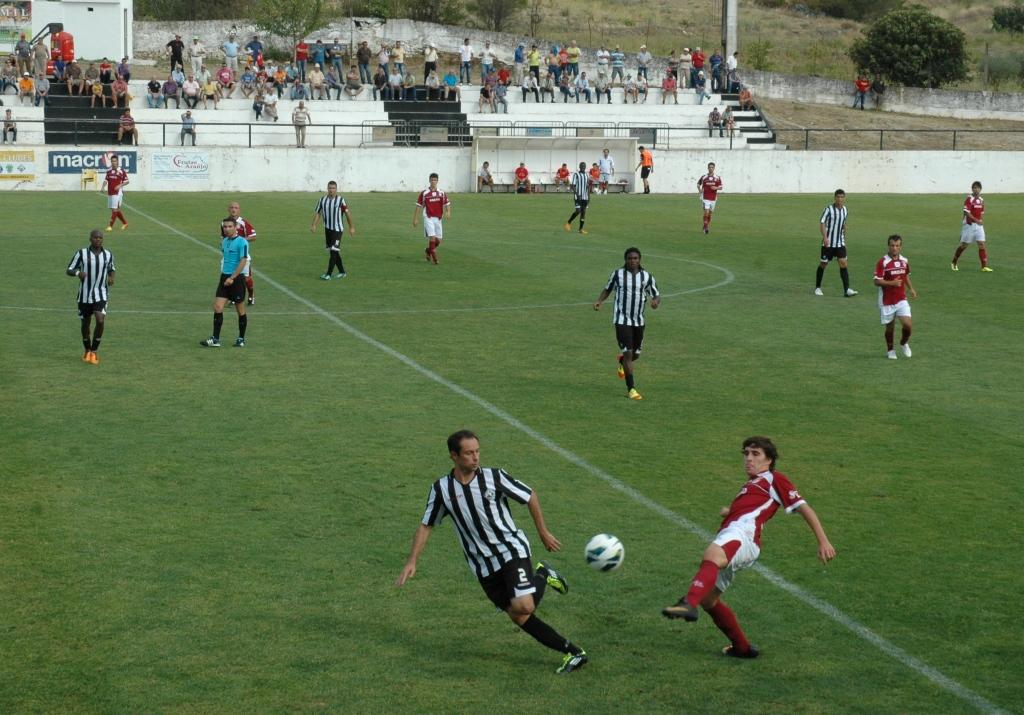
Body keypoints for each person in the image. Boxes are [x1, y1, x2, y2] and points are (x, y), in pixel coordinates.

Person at [395, 430, 587, 674]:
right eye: (469, 453)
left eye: (477, 451)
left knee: (525, 606)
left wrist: (543, 533)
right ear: (453, 456)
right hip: (482, 566)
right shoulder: (442, 489)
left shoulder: (494, 477)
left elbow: (529, 495)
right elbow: (426, 525)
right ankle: (573, 651)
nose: (475, 457)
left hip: (510, 549)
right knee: (519, 616)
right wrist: (412, 561)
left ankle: (540, 578)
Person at [662, 437, 836, 658]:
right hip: (736, 535)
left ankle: (688, 603)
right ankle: (742, 648)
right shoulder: (752, 485)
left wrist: (823, 540)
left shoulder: (774, 479)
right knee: (709, 600)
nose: (748, 459)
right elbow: (752, 510)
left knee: (712, 555)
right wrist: (730, 511)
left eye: (755, 454)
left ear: (769, 460)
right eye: (746, 453)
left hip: (743, 537)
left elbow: (804, 508)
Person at [593, 247, 660, 400]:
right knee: (629, 352)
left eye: (635, 258)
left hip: (638, 320)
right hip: (621, 319)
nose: (632, 261)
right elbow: (607, 289)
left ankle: (622, 361)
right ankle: (631, 389)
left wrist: (655, 302)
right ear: (625, 260)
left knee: (635, 354)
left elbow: (655, 294)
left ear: (640, 260)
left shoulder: (647, 277)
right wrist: (599, 301)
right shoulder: (617, 274)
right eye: (630, 258)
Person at [66, 229, 116, 365]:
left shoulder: (108, 255)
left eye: (100, 237)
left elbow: (111, 269)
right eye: (95, 237)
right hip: (84, 295)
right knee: (85, 324)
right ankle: (87, 350)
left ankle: (94, 351)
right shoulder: (81, 253)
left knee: (100, 320)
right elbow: (69, 269)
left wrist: (111, 278)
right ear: (90, 239)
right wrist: (78, 273)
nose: (98, 239)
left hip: (101, 294)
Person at [200, 218, 250, 348]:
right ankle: (215, 339)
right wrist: (226, 276)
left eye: (229, 226)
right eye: (225, 227)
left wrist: (232, 277)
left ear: (235, 227)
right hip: (224, 278)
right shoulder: (224, 242)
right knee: (217, 307)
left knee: (240, 310)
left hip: (237, 279)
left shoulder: (242, 242)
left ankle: (241, 338)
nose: (227, 229)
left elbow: (243, 261)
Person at [875, 235, 917, 359]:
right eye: (892, 245)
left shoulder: (904, 261)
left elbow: (906, 276)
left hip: (901, 299)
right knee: (890, 327)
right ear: (888, 246)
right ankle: (890, 350)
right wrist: (891, 283)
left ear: (900, 247)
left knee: (908, 325)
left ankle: (904, 342)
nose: (894, 248)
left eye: (897, 246)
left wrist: (911, 289)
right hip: (887, 300)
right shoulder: (882, 262)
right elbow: (877, 281)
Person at [815, 189, 857, 297]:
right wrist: (825, 237)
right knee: (823, 264)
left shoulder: (845, 210)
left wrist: (844, 236)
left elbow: (843, 223)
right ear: (834, 198)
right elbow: (822, 223)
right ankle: (818, 287)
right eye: (838, 197)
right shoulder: (828, 209)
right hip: (828, 243)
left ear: (844, 198)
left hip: (839, 243)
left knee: (843, 263)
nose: (840, 199)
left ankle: (846, 290)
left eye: (842, 197)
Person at [311, 180, 355, 280]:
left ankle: (328, 274)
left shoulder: (341, 200)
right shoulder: (322, 200)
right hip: (328, 229)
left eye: (333, 188)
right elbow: (318, 213)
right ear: (327, 189)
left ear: (336, 189)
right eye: (330, 188)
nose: (331, 190)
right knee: (333, 252)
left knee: (334, 250)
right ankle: (342, 272)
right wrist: (314, 225)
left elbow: (348, 214)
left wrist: (351, 227)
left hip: (337, 230)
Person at [951, 181, 993, 272]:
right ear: (972, 189)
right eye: (974, 188)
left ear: (980, 189)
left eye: (977, 188)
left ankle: (984, 266)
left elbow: (981, 213)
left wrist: (980, 221)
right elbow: (966, 212)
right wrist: (976, 221)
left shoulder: (981, 200)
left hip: (978, 225)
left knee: (981, 244)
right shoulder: (969, 199)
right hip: (969, 225)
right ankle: (954, 262)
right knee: (964, 245)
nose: (976, 189)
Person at [413, 172, 451, 265]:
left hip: (438, 219)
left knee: (438, 240)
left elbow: (447, 204)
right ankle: (435, 258)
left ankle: (428, 250)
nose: (433, 182)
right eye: (432, 180)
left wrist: (448, 212)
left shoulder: (441, 192)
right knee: (432, 238)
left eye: (435, 180)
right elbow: (418, 206)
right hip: (428, 217)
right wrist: (415, 219)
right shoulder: (424, 193)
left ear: (437, 181)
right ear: (429, 181)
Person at [101, 155, 129, 231]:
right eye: (112, 161)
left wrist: (119, 185)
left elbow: (127, 181)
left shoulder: (121, 171)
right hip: (110, 192)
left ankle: (110, 226)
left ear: (117, 162)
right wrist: (103, 187)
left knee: (114, 209)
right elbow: (106, 180)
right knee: (115, 209)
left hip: (117, 193)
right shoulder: (109, 171)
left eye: (115, 161)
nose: (114, 163)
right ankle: (125, 223)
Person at [564, 162, 592, 235]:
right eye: (582, 166)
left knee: (583, 212)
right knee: (578, 211)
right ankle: (568, 222)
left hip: (585, 197)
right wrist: (577, 194)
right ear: (579, 167)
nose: (583, 167)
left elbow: (588, 186)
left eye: (584, 166)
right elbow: (572, 186)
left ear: (585, 167)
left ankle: (581, 229)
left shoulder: (586, 175)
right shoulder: (576, 174)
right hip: (578, 196)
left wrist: (589, 196)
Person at [697, 162, 723, 234]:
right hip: (705, 197)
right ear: (708, 168)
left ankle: (705, 225)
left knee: (710, 214)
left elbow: (721, 187)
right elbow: (698, 184)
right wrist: (700, 190)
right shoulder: (704, 177)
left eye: (712, 167)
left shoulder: (717, 177)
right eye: (710, 167)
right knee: (706, 212)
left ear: (714, 168)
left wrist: (716, 187)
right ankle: (706, 227)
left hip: (713, 198)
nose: (711, 168)